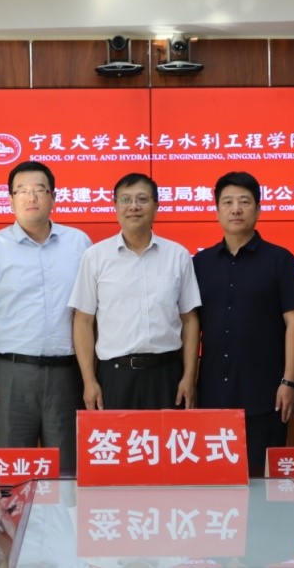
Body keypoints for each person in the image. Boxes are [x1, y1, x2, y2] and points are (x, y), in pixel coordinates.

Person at [0, 161, 91, 472]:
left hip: (66, 375)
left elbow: (89, 314)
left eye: (39, 190)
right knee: (11, 473)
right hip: (11, 375)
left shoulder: (79, 244)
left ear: (53, 197)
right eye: (21, 190)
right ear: (10, 199)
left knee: (67, 472)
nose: (31, 197)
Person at [193, 171, 294, 476]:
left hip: (266, 394)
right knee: (215, 479)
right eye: (227, 202)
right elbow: (190, 326)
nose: (236, 209)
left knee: (262, 480)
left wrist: (290, 382)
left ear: (258, 209)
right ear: (217, 210)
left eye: (244, 202)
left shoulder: (280, 260)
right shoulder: (200, 264)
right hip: (212, 393)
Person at [70, 173, 200, 411]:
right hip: (114, 377)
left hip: (167, 375)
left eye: (142, 199)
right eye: (125, 200)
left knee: (167, 436)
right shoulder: (95, 257)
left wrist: (189, 377)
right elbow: (83, 321)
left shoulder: (178, 255)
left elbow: (190, 320)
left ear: (156, 207)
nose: (133, 206)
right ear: (115, 206)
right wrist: (89, 381)